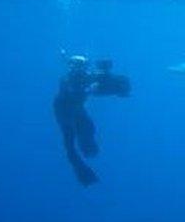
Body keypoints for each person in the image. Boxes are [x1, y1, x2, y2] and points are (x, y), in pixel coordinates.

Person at [54, 54, 130, 186]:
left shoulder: (88, 76)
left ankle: (87, 150)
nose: (78, 68)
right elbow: (73, 91)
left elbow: (110, 82)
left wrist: (114, 83)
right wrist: (89, 89)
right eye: (75, 64)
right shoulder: (66, 79)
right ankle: (83, 173)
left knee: (89, 129)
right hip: (64, 112)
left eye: (81, 65)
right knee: (70, 142)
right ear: (70, 66)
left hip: (78, 110)